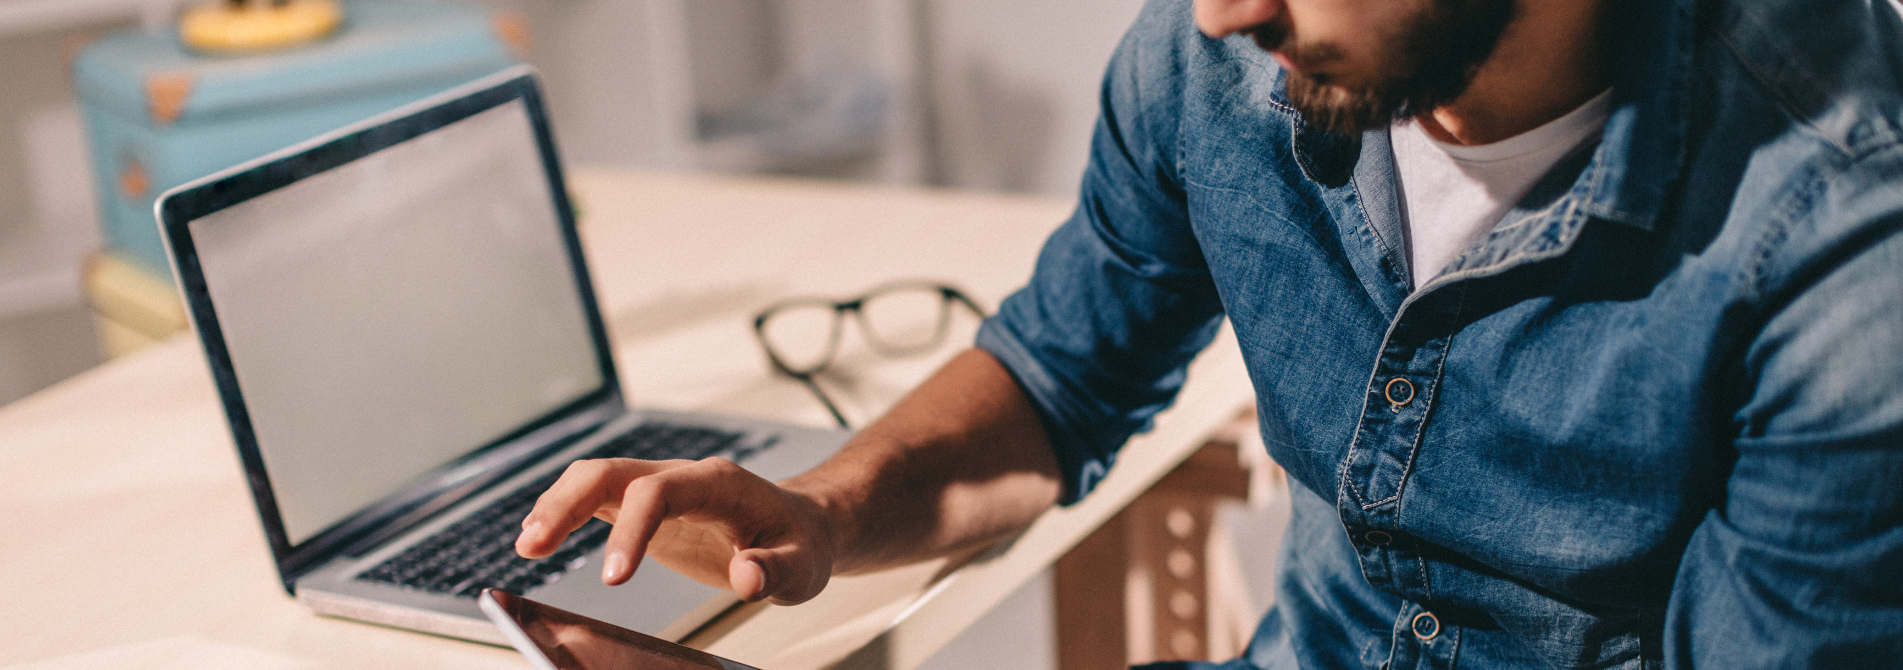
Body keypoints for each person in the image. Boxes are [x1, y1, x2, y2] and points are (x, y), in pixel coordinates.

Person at [516, 0, 1903, 666]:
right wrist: (822, 508)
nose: (1219, 8)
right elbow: (1062, 376)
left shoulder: (1841, 232)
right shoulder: (1222, 64)